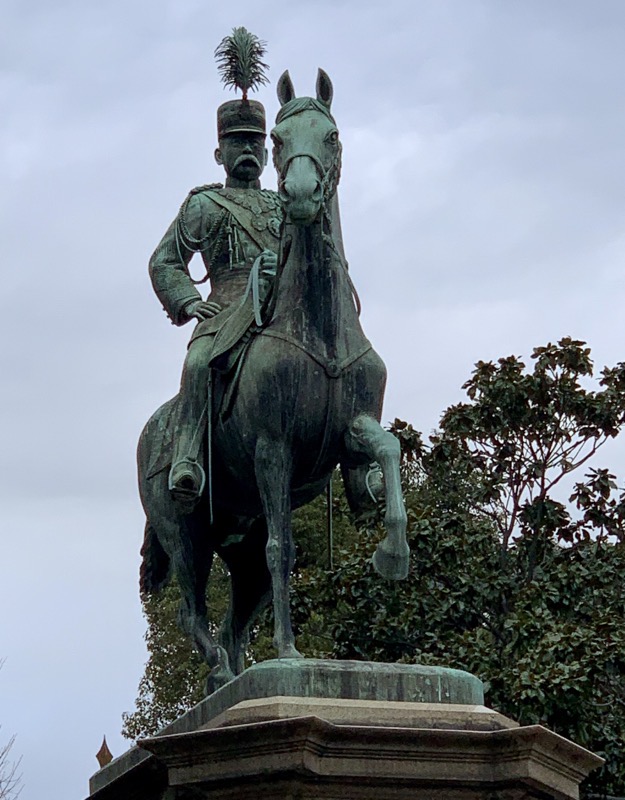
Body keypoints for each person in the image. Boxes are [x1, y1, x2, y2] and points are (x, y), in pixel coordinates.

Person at [149, 97, 282, 508]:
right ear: (219, 152)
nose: (247, 150)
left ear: (266, 152)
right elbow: (165, 261)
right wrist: (189, 302)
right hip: (225, 312)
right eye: (237, 142)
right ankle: (188, 456)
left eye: (254, 143)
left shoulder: (286, 205)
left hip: (281, 314)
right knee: (198, 363)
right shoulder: (204, 204)